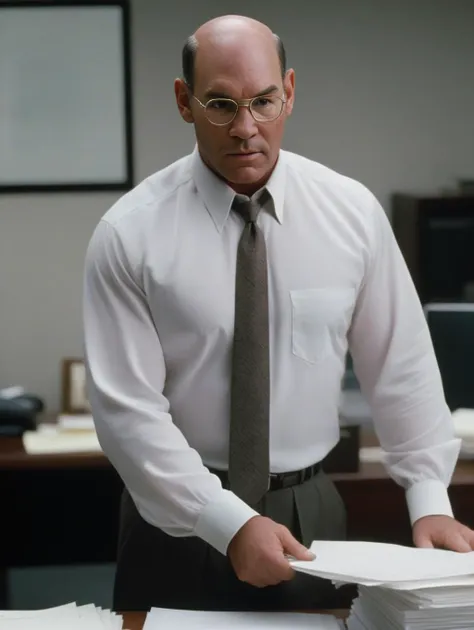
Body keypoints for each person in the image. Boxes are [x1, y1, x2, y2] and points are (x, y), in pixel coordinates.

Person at [82, 14, 474, 613]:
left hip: (310, 510)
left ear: (289, 91)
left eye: (264, 101)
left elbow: (403, 366)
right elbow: (127, 415)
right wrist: (227, 522)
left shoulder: (352, 214)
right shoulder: (129, 235)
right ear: (184, 102)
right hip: (176, 517)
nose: (245, 128)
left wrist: (430, 501)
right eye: (220, 104)